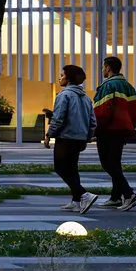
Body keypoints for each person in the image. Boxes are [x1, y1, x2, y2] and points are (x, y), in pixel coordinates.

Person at [47, 64, 99, 213]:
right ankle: (76, 201)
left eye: (62, 75)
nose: (59, 78)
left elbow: (58, 118)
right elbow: (92, 122)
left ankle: (84, 194)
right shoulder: (86, 98)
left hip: (66, 137)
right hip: (79, 138)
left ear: (68, 78)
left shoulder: (64, 95)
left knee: (60, 168)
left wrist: (49, 134)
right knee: (72, 169)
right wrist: (86, 138)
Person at [93, 56, 136, 211]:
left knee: (108, 164)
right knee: (115, 163)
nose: (102, 70)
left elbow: (103, 112)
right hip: (122, 131)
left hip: (108, 130)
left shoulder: (107, 86)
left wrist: (95, 129)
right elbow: (133, 112)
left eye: (103, 67)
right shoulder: (129, 86)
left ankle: (129, 194)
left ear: (108, 68)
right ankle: (115, 197)